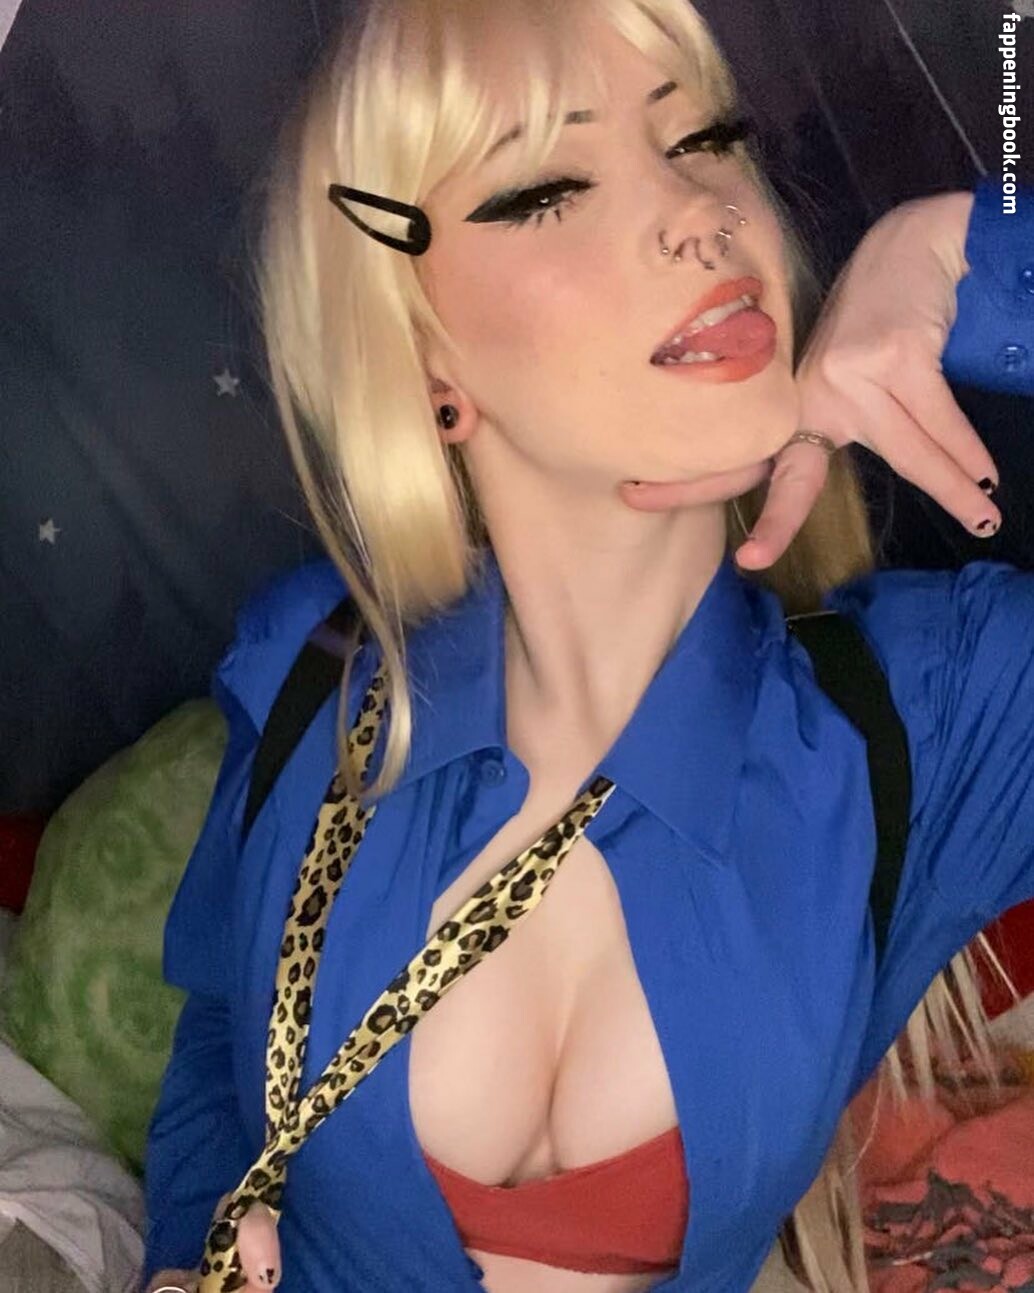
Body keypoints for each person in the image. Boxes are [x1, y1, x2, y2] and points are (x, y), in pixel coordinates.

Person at [142, 1, 1034, 1290]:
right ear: (426, 359)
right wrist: (185, 1257)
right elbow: (220, 1036)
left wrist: (970, 258)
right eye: (547, 191)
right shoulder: (309, 667)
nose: (698, 213)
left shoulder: (943, 710)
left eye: (705, 139)